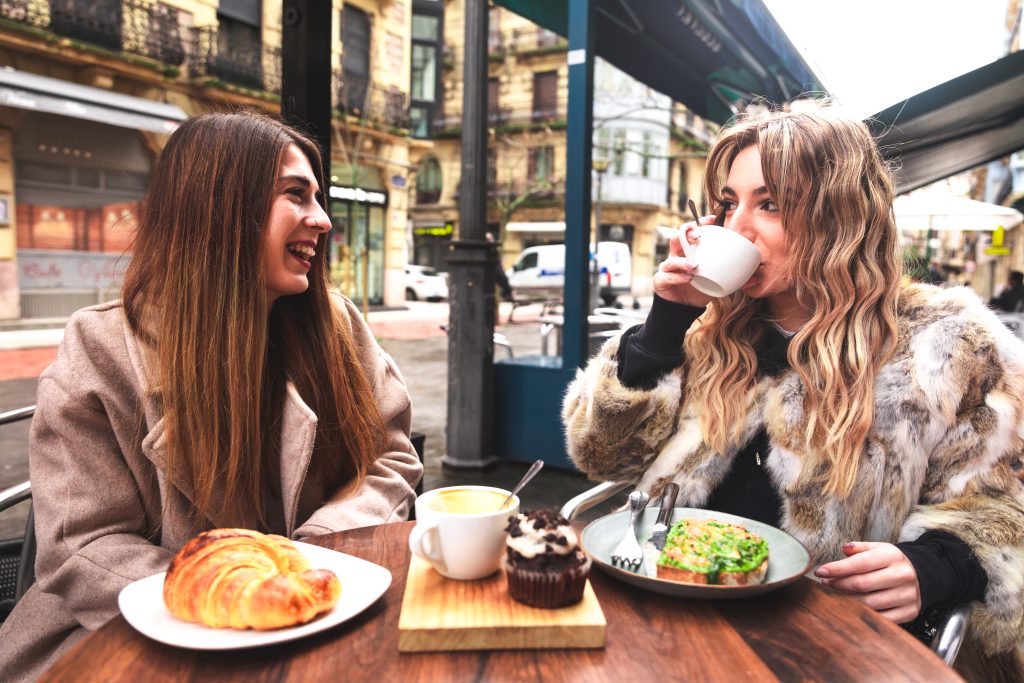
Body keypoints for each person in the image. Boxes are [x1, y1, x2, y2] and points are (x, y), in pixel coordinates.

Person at [562, 103, 1024, 681]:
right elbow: (599, 456)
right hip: (663, 617)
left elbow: (1004, 507)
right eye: (728, 204)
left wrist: (934, 568)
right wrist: (662, 329)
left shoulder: (947, 345)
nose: (736, 229)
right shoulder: (708, 333)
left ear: (841, 217)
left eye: (771, 204)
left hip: (825, 647)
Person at [0, 112, 422, 681]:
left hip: (325, 606)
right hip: (135, 636)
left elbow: (388, 457)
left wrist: (318, 551)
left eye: (318, 198)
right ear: (222, 206)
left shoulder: (337, 325)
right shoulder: (101, 348)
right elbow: (83, 544)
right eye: (296, 195)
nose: (322, 220)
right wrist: (230, 600)